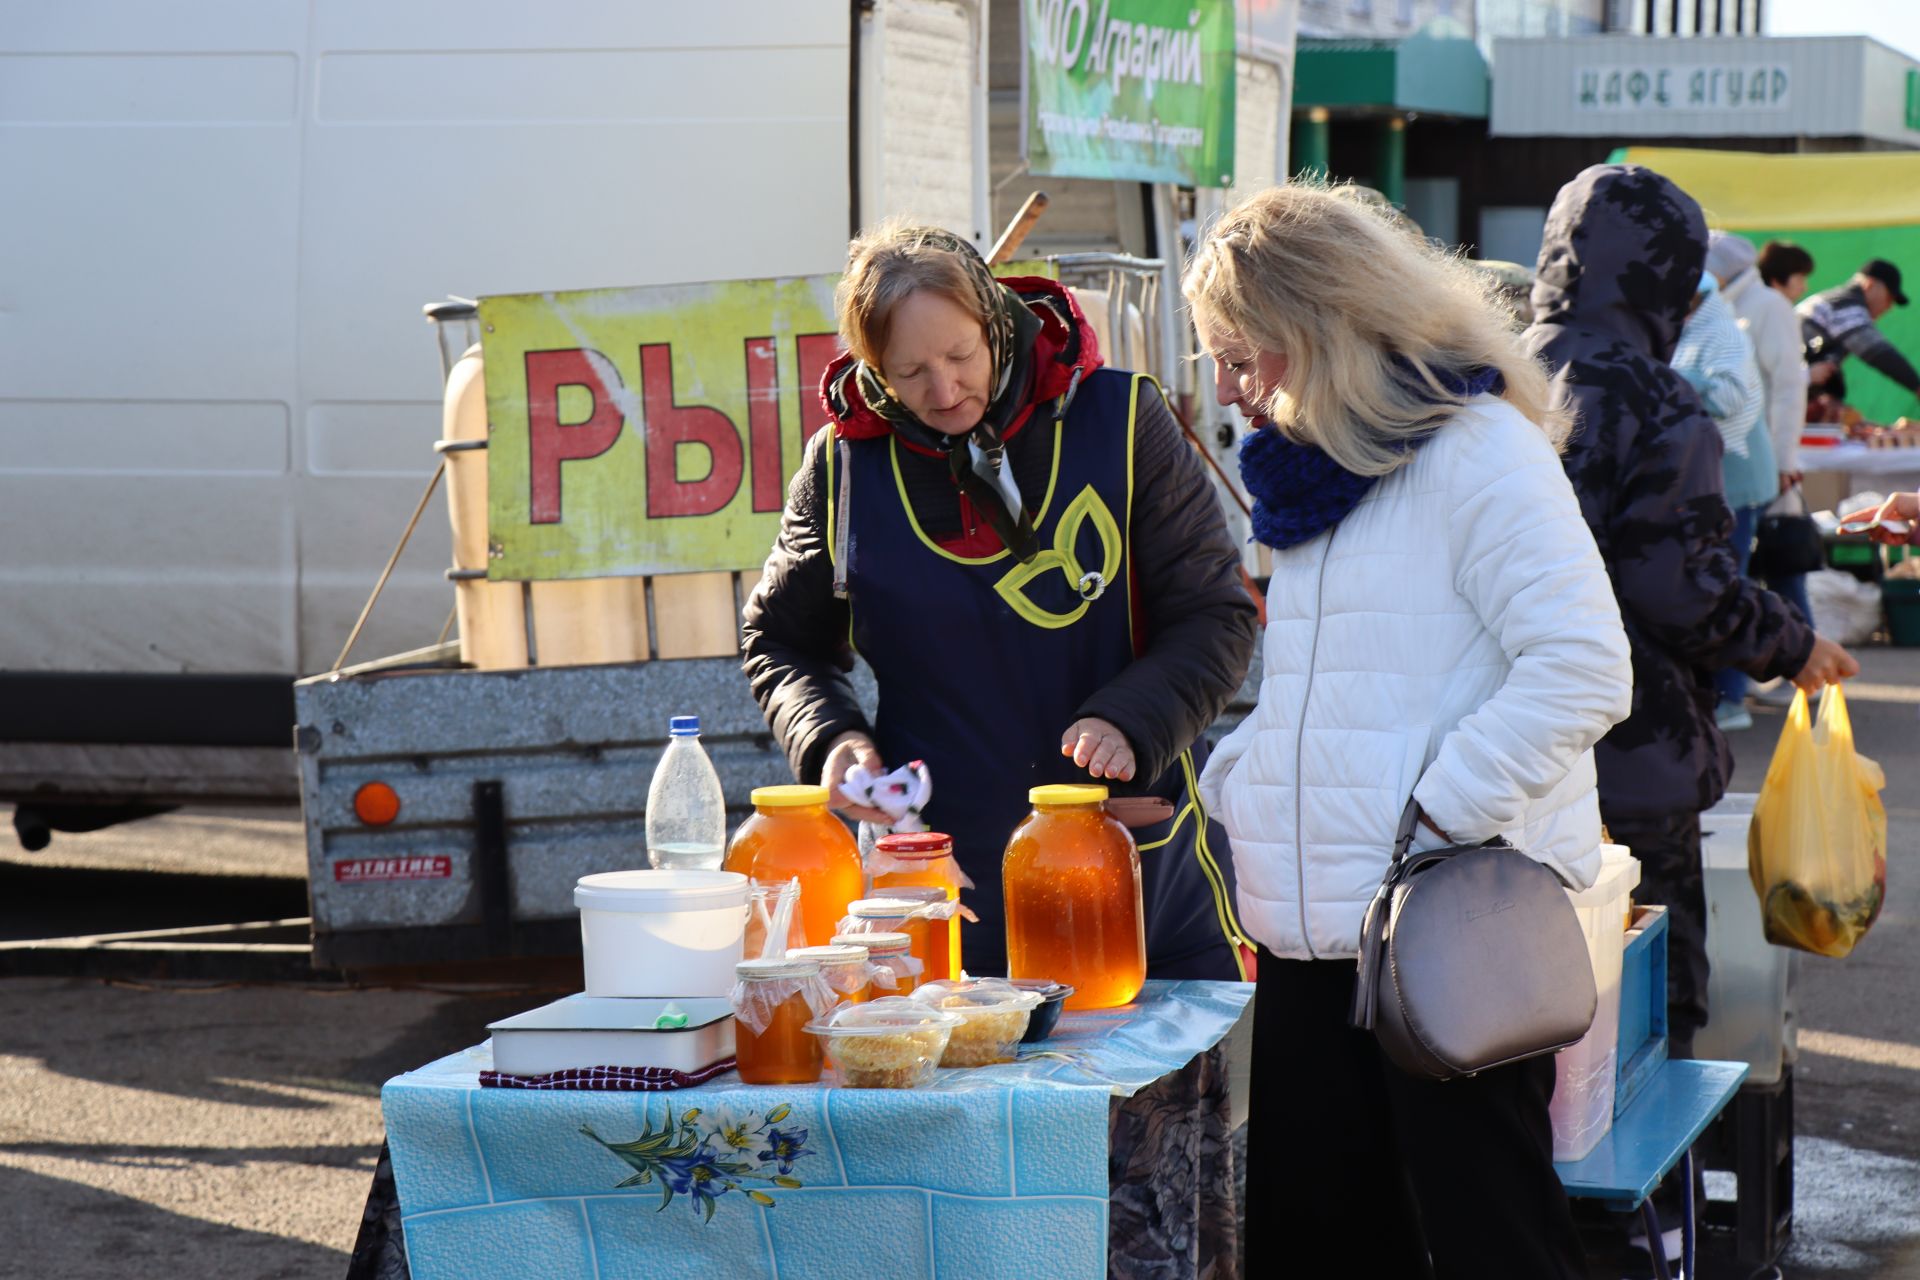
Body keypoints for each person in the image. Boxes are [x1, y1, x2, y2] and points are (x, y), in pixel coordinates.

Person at [1188, 184, 1632, 1278]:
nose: (1232, 388)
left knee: (1490, 1242)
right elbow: (1322, 689)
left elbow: (1583, 667)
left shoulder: (1478, 448)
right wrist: (1240, 779)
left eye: (1246, 356)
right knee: (1315, 1241)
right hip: (1316, 936)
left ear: (1321, 325)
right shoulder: (1312, 473)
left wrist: (1433, 813)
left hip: (1450, 929)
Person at [741, 222, 1257, 979]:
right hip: (944, 885)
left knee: (1168, 1097)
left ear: (995, 323)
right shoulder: (844, 471)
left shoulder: (1118, 421)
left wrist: (1134, 717)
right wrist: (831, 741)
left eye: (959, 356)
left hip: (1132, 864)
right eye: (909, 372)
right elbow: (781, 642)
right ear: (872, 366)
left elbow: (1217, 614)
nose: (943, 391)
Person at [1523, 165, 1858, 1064]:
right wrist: (1793, 643)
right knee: (1643, 1016)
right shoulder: (1651, 399)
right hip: (1628, 764)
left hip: (1494, 771)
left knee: (1512, 1017)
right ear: (1669, 278)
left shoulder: (1487, 378)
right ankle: (1644, 1209)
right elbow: (1683, 588)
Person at [1672, 267, 1772, 732]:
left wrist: (1674, 379)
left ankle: (1730, 697)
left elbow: (1730, 397)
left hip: (1734, 479)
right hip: (1717, 481)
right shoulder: (1697, 329)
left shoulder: (1723, 334)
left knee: (1727, 588)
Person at [1799, 257, 1920, 403]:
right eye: (1889, 298)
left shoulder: (1833, 299)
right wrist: (1917, 386)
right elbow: (1876, 351)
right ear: (1870, 284)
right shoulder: (1845, 304)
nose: (1889, 307)